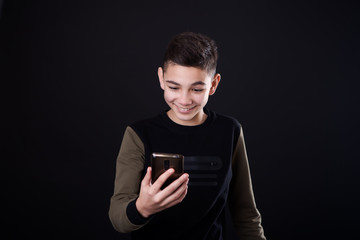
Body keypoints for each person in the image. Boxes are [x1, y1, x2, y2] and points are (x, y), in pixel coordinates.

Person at [109, 32, 266, 240]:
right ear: (161, 79)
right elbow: (117, 218)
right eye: (174, 87)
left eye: (196, 89)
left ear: (214, 84)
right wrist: (142, 208)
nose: (184, 100)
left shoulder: (230, 131)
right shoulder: (139, 134)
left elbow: (246, 213)